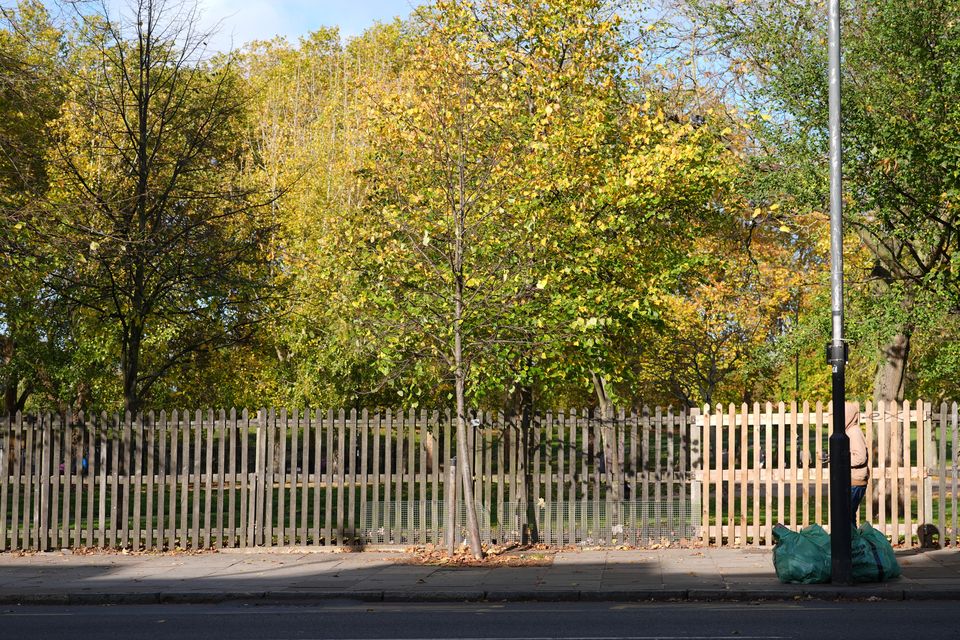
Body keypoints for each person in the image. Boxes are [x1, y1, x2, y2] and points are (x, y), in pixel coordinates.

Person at [845, 401, 870, 526]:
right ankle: (852, 543)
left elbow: (860, 457)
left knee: (846, 517)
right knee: (848, 517)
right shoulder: (848, 432)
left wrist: (840, 460)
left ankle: (851, 543)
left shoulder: (854, 432)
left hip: (855, 482)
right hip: (851, 481)